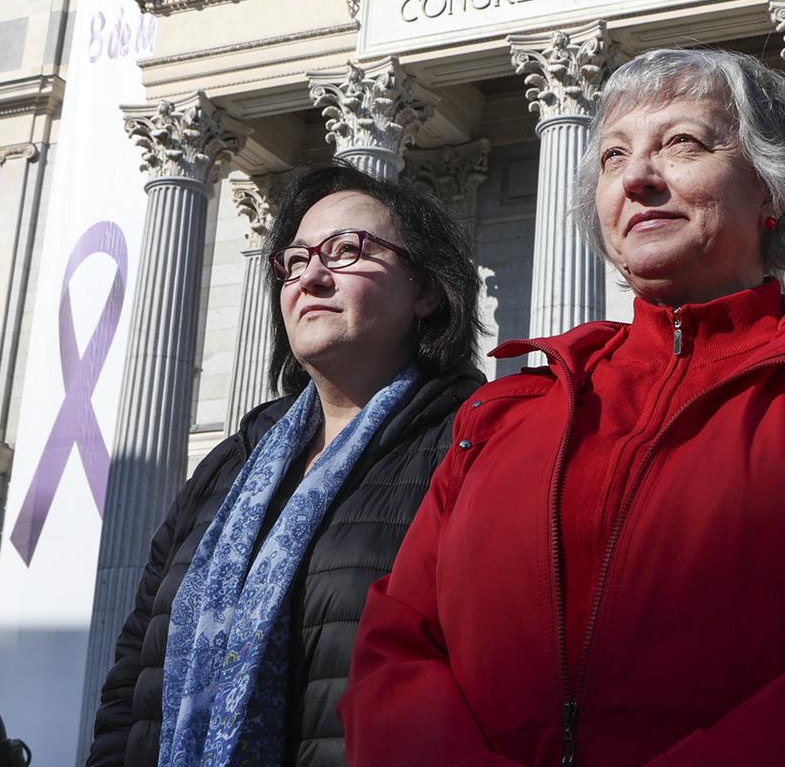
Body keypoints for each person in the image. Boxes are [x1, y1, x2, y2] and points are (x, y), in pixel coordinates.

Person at [342, 48, 785, 766]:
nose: (636, 177)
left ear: (771, 190)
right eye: (612, 156)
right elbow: (395, 646)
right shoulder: (506, 411)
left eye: (682, 143)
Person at [86, 164, 486, 767]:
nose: (312, 277)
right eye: (294, 261)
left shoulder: (472, 447)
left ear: (427, 289)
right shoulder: (230, 468)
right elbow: (133, 679)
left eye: (347, 250)